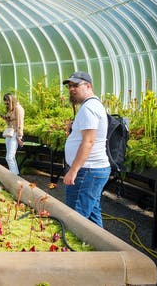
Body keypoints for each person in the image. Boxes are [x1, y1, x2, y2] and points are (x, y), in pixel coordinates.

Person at [62, 71, 110, 228]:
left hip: (86, 172)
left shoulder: (88, 108)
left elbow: (88, 142)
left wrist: (73, 171)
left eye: (76, 85)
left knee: (76, 219)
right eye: (69, 86)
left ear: (88, 86)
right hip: (91, 171)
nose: (71, 89)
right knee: (92, 216)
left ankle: (75, 251)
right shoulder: (91, 106)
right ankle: (103, 250)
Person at [2, 93, 24, 175]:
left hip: (15, 134)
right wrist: (6, 118)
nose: (6, 104)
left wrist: (19, 136)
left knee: (9, 157)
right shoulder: (12, 109)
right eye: (5, 103)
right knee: (11, 157)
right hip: (10, 133)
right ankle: (15, 174)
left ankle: (14, 176)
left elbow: (20, 123)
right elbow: (11, 120)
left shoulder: (18, 108)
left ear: (11, 100)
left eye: (7, 102)